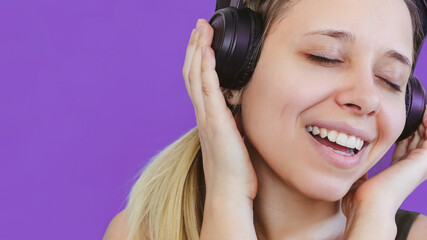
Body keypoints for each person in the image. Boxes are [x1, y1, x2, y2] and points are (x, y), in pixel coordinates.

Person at [103, 0, 427, 239]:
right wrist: (227, 200)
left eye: (390, 79)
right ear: (234, 66)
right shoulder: (142, 233)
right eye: (324, 56)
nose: (367, 98)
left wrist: (373, 217)